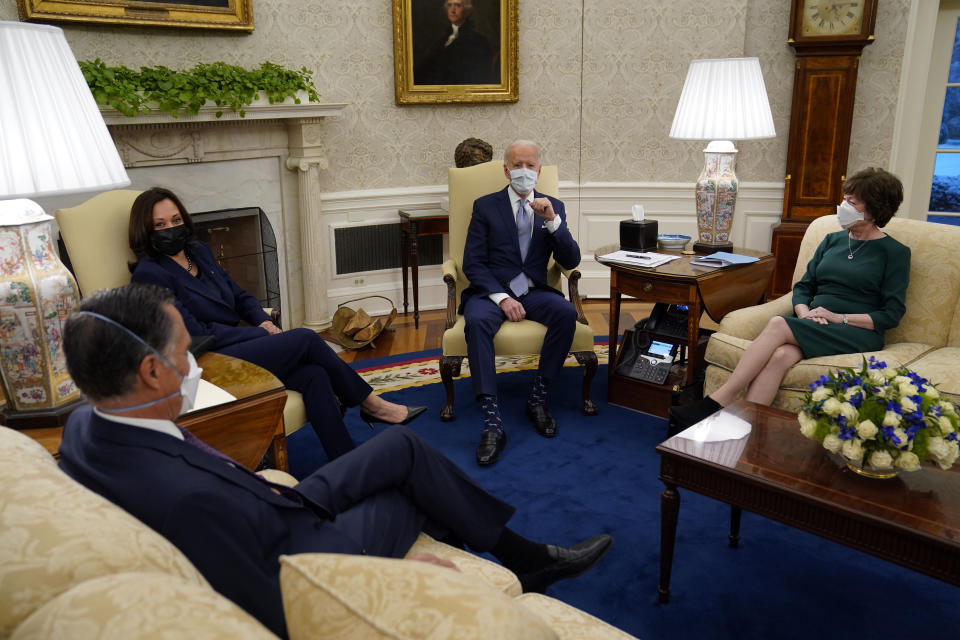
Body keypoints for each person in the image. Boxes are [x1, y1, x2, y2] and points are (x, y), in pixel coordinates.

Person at [58, 284, 614, 639]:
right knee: (413, 482)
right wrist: (385, 582)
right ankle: (526, 558)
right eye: (185, 352)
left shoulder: (86, 424)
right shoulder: (185, 499)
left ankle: (515, 554)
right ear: (152, 374)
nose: (195, 365)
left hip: (277, 505)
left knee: (399, 448)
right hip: (308, 549)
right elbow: (275, 596)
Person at [127, 187, 424, 461]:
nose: (171, 228)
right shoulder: (150, 274)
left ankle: (347, 460)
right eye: (161, 225)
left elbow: (241, 296)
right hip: (209, 361)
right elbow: (195, 334)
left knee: (314, 374)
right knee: (306, 340)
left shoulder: (199, 253)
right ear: (146, 231)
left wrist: (263, 321)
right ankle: (372, 405)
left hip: (242, 344)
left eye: (176, 219)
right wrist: (258, 332)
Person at [670, 167, 911, 428]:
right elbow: (804, 286)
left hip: (855, 330)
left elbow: (891, 314)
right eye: (844, 199)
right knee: (781, 356)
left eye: (851, 202)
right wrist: (804, 312)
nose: (842, 206)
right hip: (815, 322)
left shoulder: (895, 252)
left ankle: (717, 402)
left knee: (777, 323)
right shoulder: (832, 240)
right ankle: (740, 426)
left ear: (874, 208)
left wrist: (836, 317)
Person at [461, 140, 582, 465]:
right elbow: (472, 263)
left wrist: (554, 221)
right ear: (506, 169)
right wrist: (501, 298)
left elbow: (571, 258)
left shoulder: (552, 205)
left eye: (531, 166)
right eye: (518, 165)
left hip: (534, 290)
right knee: (476, 322)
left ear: (539, 170)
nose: (524, 171)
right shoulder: (485, 206)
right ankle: (492, 423)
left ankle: (538, 398)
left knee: (566, 313)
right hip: (492, 291)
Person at [414, 0, 498, 85]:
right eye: (449, 5)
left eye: (457, 5)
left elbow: (476, 77)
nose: (452, 10)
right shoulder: (442, 40)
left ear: (467, 10)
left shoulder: (478, 42)